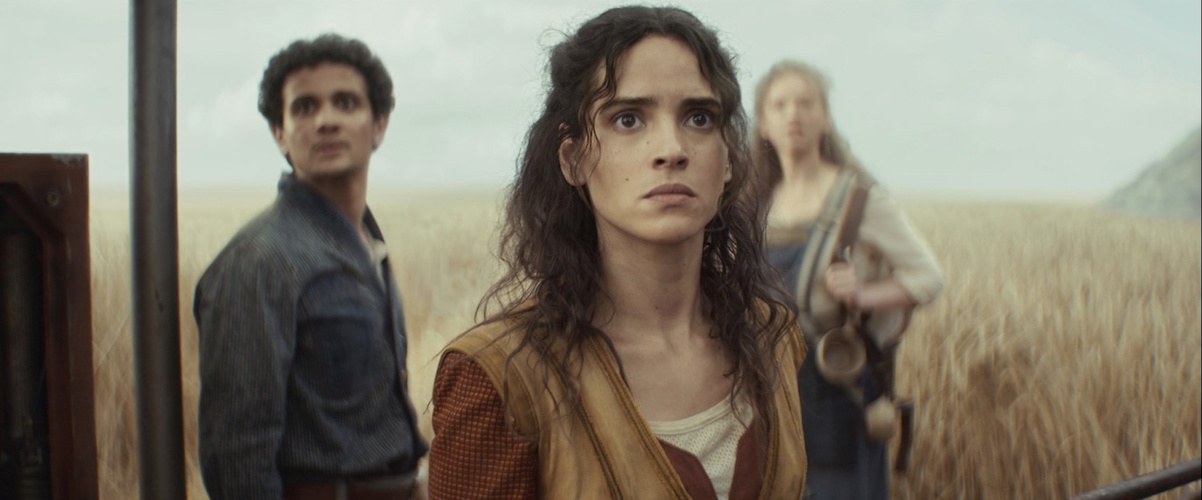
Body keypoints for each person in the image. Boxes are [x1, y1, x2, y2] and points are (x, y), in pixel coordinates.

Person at [427, 6, 807, 499]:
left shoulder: (772, 337)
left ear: (729, 159)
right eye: (628, 119)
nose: (671, 149)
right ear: (573, 159)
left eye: (699, 117)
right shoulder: (500, 377)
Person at [194, 33, 428, 500]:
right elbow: (238, 458)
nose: (326, 121)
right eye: (304, 107)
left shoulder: (368, 244)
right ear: (279, 133)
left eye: (346, 102)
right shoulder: (258, 261)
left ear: (378, 124)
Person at [753, 60, 945, 499]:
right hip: (771, 391)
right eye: (779, 105)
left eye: (806, 103)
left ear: (824, 118)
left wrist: (864, 294)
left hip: (838, 389)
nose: (793, 114)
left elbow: (928, 277)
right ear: (763, 124)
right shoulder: (759, 205)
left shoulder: (860, 202)